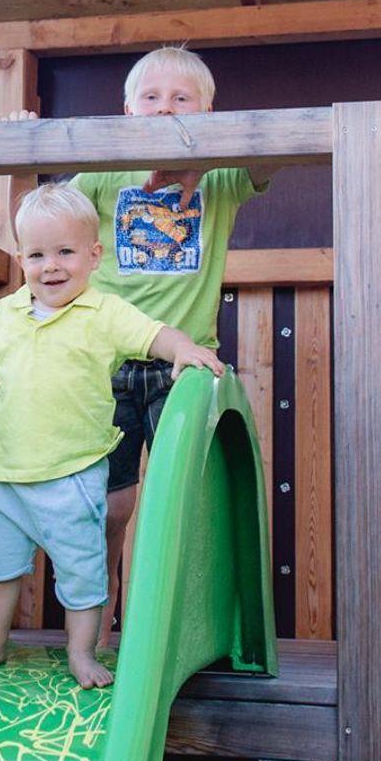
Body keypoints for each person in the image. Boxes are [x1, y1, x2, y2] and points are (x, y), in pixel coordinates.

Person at [0, 181, 224, 688]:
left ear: (94, 256)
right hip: (6, 476)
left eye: (65, 252)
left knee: (81, 574)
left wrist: (181, 347)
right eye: (37, 255)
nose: (50, 266)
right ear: (21, 260)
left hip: (73, 475)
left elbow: (154, 336)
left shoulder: (105, 313)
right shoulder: (5, 314)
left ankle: (81, 653)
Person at [73, 46, 273, 621]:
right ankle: (99, 623)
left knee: (179, 497)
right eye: (152, 98)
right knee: (111, 508)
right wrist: (27, 139)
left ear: (208, 113)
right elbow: (49, 216)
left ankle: (171, 623)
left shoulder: (223, 179)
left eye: (181, 99)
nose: (165, 109)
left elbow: (273, 152)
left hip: (183, 364)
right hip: (110, 361)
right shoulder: (103, 173)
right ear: (128, 112)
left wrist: (203, 160)